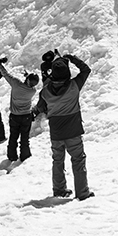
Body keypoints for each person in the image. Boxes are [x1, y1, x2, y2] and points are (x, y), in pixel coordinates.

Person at [31, 53, 94, 200]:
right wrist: (72, 58)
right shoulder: (74, 85)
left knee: (57, 160)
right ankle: (82, 192)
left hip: (56, 132)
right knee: (78, 160)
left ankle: (59, 190)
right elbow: (86, 70)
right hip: (73, 130)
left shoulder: (45, 91)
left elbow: (40, 108)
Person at [0, 58, 39, 163]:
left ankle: (12, 156)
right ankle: (25, 156)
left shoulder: (16, 84)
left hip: (15, 116)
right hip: (27, 116)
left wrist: (0, 63)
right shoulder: (32, 91)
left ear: (27, 80)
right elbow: (27, 84)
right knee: (25, 138)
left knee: (13, 137)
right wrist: (28, 77)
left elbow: (6, 74)